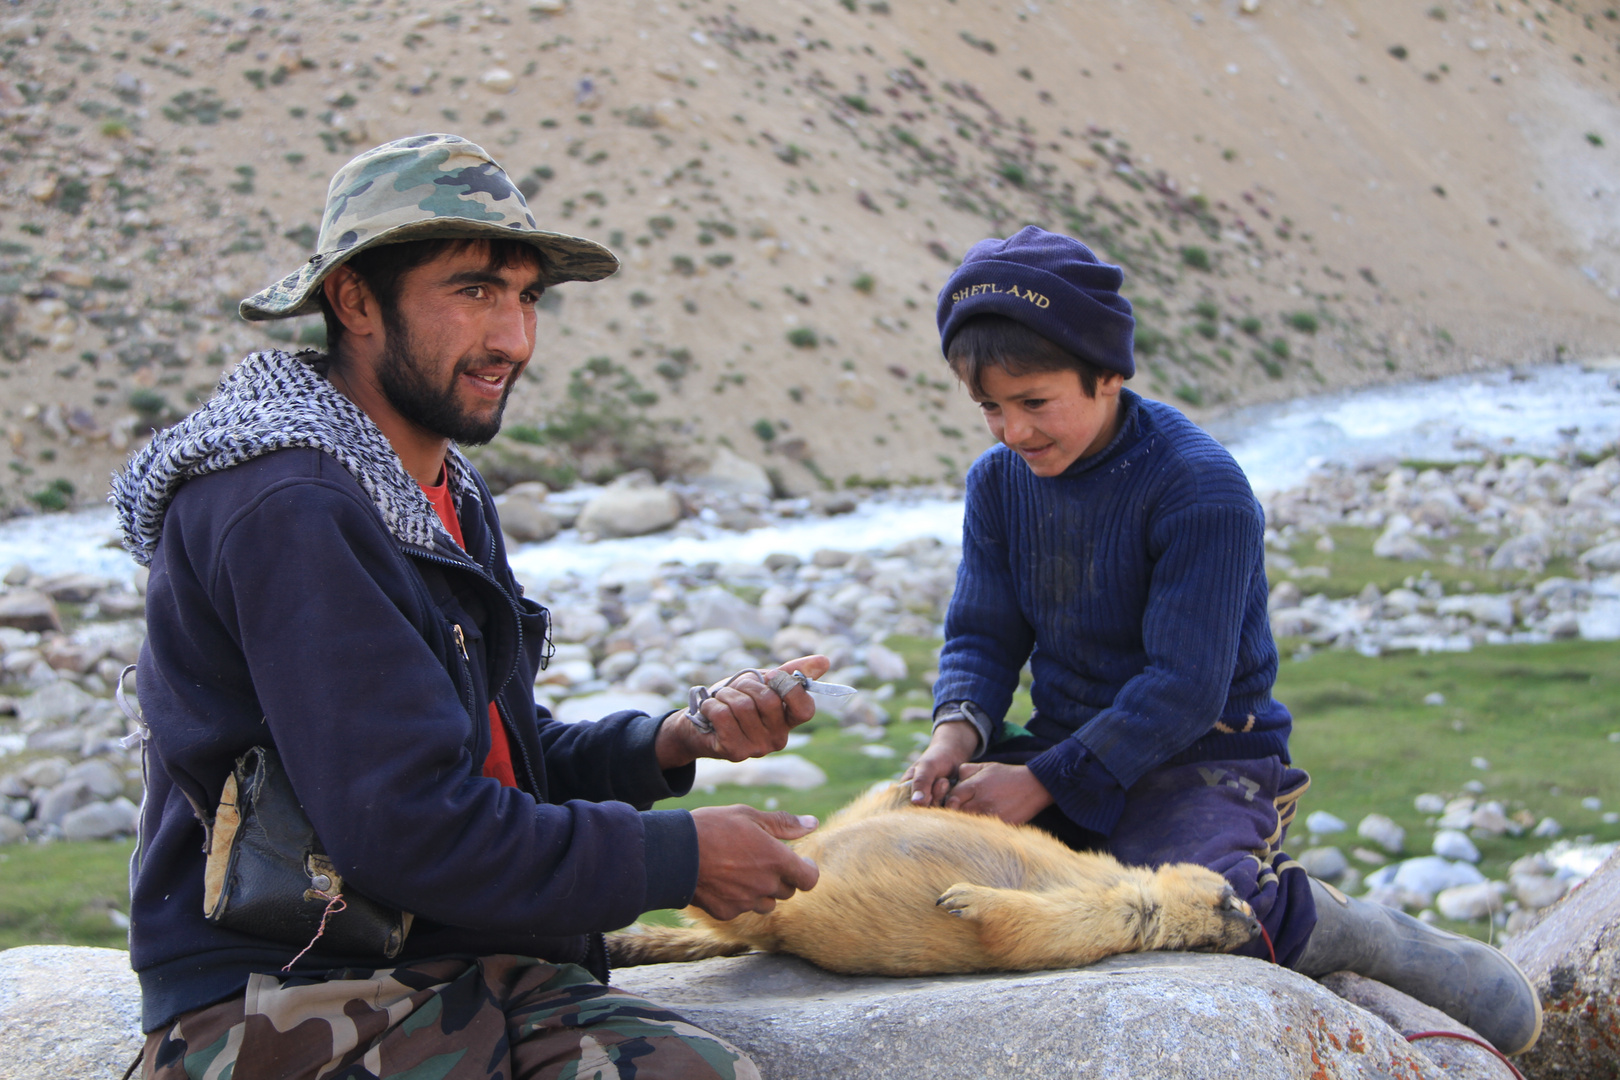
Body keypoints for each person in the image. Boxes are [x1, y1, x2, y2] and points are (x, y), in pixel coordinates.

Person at [111, 133, 824, 1080]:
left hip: (436, 960)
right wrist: (674, 858)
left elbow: (486, 762)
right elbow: (405, 823)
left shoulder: (435, 483)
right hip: (285, 995)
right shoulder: (293, 506)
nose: (514, 340)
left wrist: (666, 743)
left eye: (527, 297)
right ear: (354, 300)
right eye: (474, 290)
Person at [902, 226, 1541, 1056]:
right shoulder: (997, 485)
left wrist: (1035, 789)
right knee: (923, 872)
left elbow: (1184, 686)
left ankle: (1338, 927)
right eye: (990, 407)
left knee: (1204, 917)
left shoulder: (1199, 487)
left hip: (1203, 751)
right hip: (1068, 745)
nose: (1012, 432)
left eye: (1034, 402)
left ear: (1107, 375)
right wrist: (956, 735)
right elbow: (983, 634)